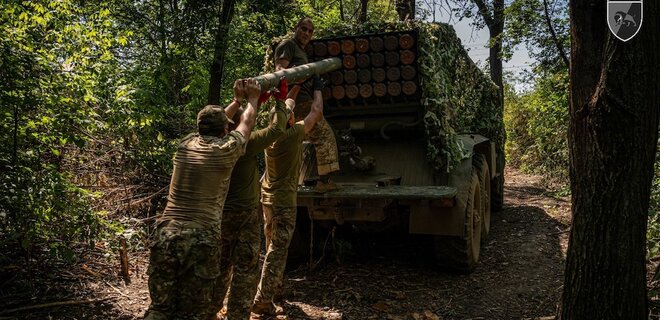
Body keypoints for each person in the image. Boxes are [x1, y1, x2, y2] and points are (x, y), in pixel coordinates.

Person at [143, 79, 262, 320]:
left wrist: (236, 100)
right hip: (201, 238)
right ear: (225, 130)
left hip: (167, 234)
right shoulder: (225, 150)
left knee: (160, 308)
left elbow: (216, 123)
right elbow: (246, 123)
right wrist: (252, 99)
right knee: (195, 312)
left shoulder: (185, 144)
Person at [212, 78, 293, 320]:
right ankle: (237, 315)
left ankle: (211, 310)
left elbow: (219, 121)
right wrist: (279, 101)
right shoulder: (245, 143)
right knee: (246, 268)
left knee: (221, 265)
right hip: (245, 214)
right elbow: (278, 129)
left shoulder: (212, 142)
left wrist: (243, 101)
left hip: (219, 213)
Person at [252, 79, 324, 316]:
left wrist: (292, 87)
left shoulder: (269, 137)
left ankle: (276, 288)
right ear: (290, 120)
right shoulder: (293, 136)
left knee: (271, 243)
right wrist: (317, 88)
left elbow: (285, 109)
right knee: (278, 249)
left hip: (268, 200)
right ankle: (263, 299)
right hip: (283, 201)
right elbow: (316, 112)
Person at [273, 16, 341, 193]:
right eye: (303, 29)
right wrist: (299, 82)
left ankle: (287, 180)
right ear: (296, 28)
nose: (306, 33)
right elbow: (279, 72)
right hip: (298, 101)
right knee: (324, 136)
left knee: (296, 141)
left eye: (310, 31)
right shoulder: (287, 45)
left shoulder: (301, 51)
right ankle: (324, 183)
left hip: (300, 100)